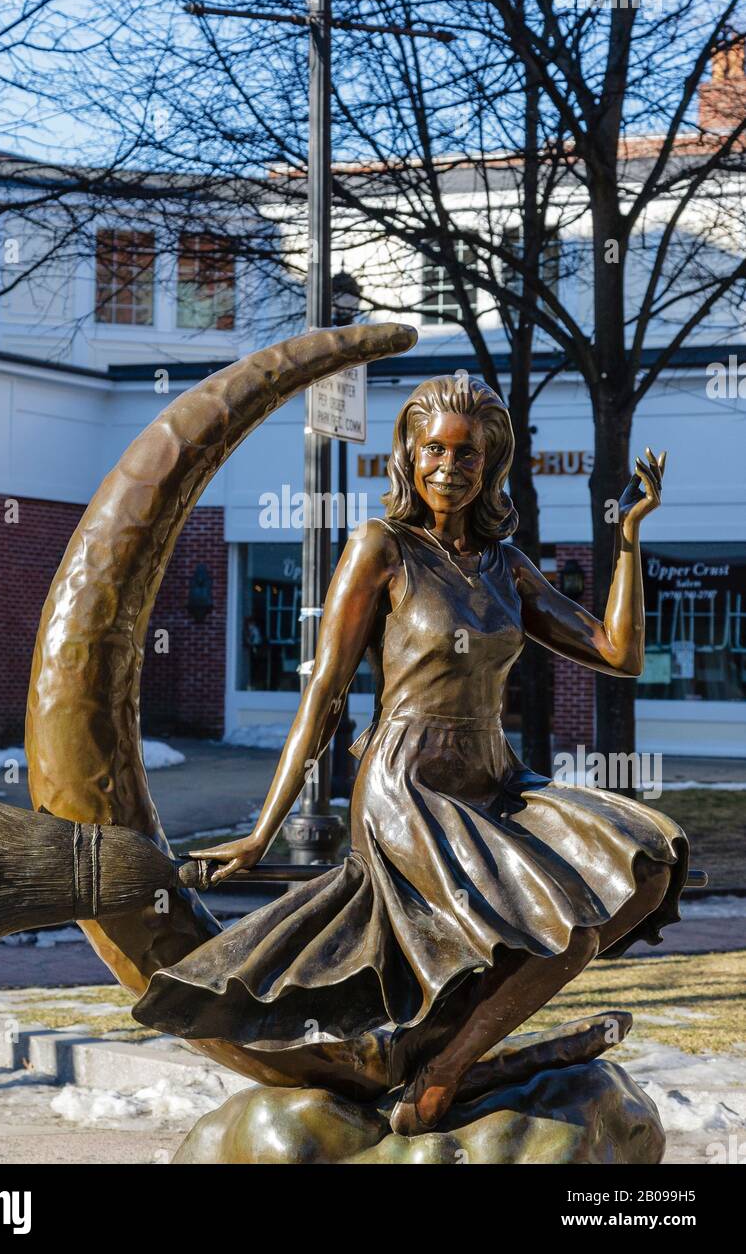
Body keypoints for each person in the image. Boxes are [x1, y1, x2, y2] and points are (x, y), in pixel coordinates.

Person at [131, 374, 686, 1135]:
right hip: (408, 789)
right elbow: (323, 694)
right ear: (410, 454)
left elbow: (619, 654)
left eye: (469, 456)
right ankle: (445, 1074)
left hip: (494, 777)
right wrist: (265, 829)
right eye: (435, 450)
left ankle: (450, 1052)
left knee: (646, 870)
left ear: (490, 466)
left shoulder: (505, 563)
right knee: (571, 930)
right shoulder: (381, 547)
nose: (450, 468)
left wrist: (627, 536)